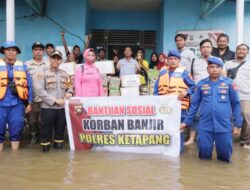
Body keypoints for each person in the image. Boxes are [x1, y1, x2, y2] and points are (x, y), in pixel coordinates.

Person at [180, 57, 242, 162]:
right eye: (211, 67)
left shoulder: (230, 83)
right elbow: (194, 105)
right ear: (207, 69)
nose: (214, 69)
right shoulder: (201, 84)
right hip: (205, 126)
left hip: (224, 125)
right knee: (203, 156)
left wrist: (237, 124)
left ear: (222, 69)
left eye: (217, 67)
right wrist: (186, 122)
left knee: (225, 157)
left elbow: (235, 104)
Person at [154, 50, 196, 152]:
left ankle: (178, 151)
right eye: (171, 59)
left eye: (175, 59)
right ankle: (165, 150)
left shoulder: (184, 73)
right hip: (164, 107)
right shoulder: (162, 72)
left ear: (179, 60)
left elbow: (194, 86)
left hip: (179, 107)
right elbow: (156, 89)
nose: (173, 61)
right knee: (165, 129)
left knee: (178, 130)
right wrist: (155, 100)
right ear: (167, 60)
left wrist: (186, 91)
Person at [34, 50, 73, 152]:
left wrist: (70, 93)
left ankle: (58, 162)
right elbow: (39, 91)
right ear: (49, 59)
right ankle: (46, 161)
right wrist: (55, 100)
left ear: (61, 61)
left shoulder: (64, 74)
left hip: (61, 109)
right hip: (48, 108)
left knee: (60, 136)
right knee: (46, 136)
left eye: (58, 58)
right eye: (54, 58)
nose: (56, 60)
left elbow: (70, 86)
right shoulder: (42, 73)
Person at [0, 41, 33, 151]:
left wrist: (30, 102)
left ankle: (15, 157)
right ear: (4, 51)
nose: (11, 52)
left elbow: (29, 85)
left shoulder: (23, 67)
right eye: (8, 49)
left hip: (17, 104)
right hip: (1, 104)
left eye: (13, 50)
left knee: (16, 131)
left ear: (17, 53)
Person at [185, 39, 214, 146]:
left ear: (211, 48)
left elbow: (223, 75)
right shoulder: (194, 61)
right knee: (194, 115)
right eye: (203, 47)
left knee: (212, 115)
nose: (205, 49)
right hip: (197, 93)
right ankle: (192, 138)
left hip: (212, 93)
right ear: (200, 49)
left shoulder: (216, 60)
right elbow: (190, 76)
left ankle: (212, 139)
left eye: (208, 47)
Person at [225, 44, 250, 148]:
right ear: (236, 51)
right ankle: (226, 139)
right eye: (239, 49)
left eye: (244, 49)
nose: (241, 51)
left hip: (246, 95)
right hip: (229, 95)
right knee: (226, 116)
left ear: (247, 52)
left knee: (246, 118)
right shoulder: (227, 64)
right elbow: (222, 77)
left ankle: (245, 141)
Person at [25, 42, 50, 145]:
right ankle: (34, 136)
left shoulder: (48, 63)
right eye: (36, 49)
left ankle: (45, 139)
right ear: (32, 51)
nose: (38, 52)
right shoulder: (26, 64)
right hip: (32, 98)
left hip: (45, 98)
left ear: (43, 51)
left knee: (44, 121)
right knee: (32, 120)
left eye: (40, 49)